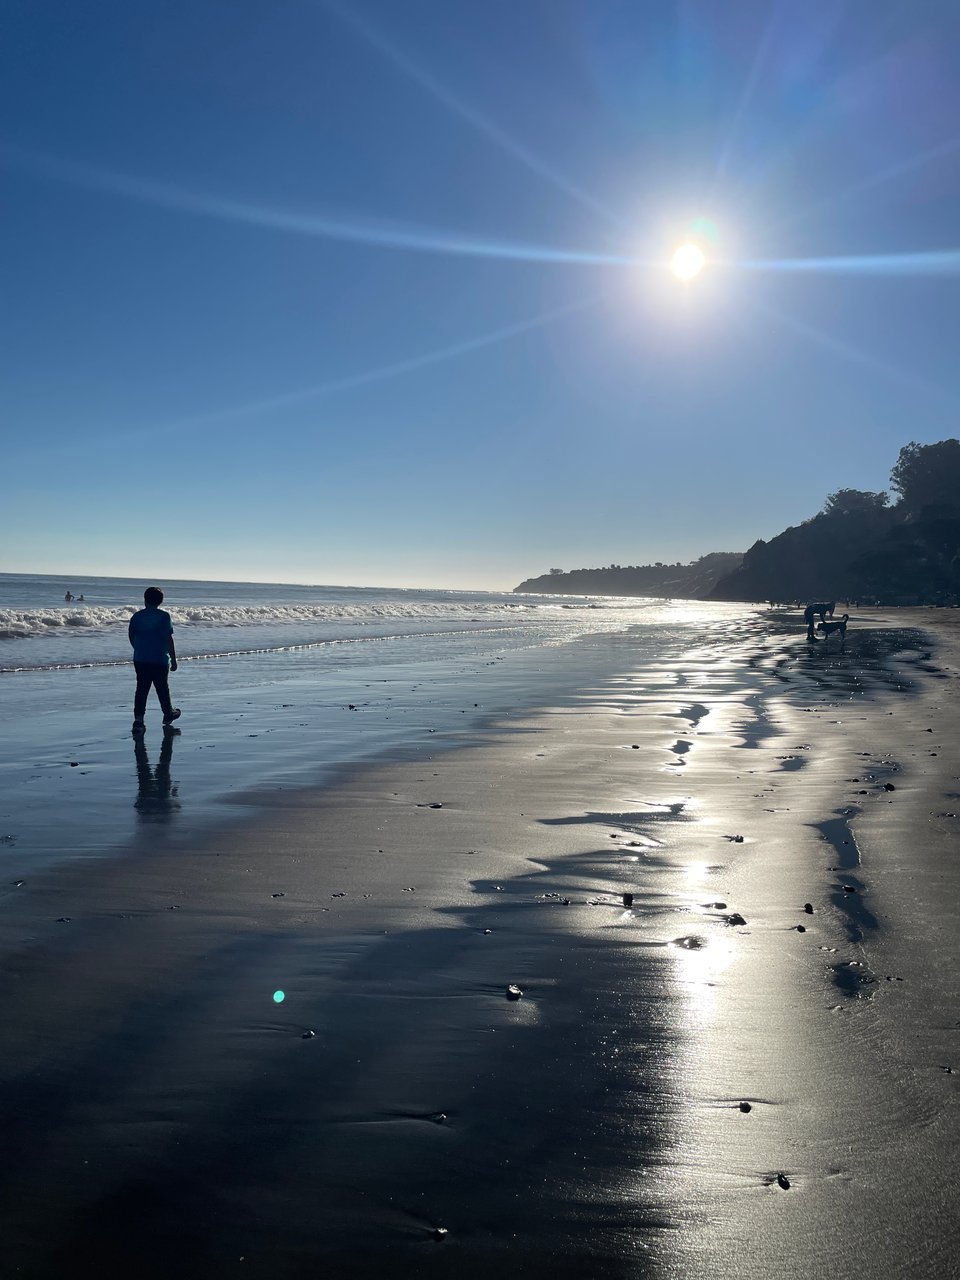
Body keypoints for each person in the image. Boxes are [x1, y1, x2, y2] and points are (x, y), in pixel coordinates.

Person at [128, 586, 181, 732]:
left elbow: (131, 635)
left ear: (145, 599)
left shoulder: (137, 616)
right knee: (162, 687)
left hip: (140, 658)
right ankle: (168, 713)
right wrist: (174, 659)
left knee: (141, 689)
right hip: (160, 658)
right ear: (161, 601)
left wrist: (138, 649)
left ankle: (138, 719)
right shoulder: (163, 616)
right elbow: (168, 639)